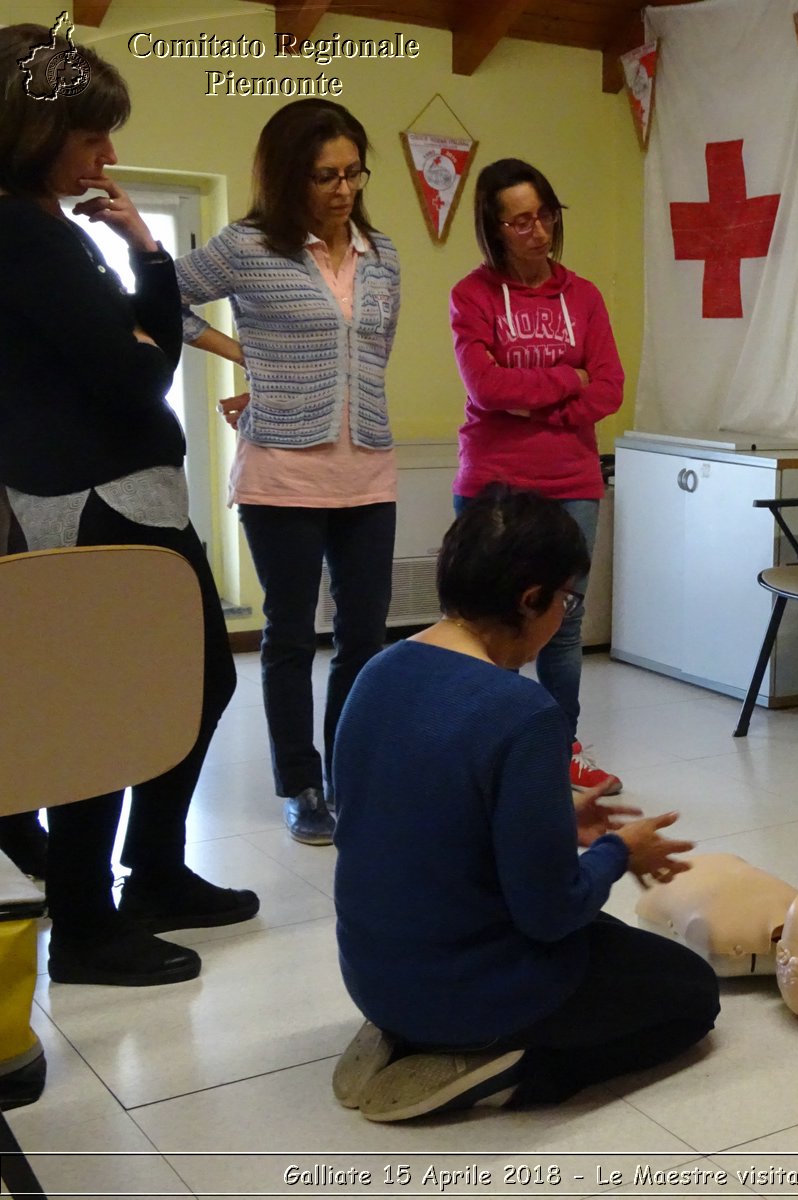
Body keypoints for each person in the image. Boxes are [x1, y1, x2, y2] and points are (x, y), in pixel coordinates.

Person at [330, 486, 719, 1122]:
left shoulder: (377, 672)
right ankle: (508, 1066)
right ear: (530, 600)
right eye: (565, 599)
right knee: (690, 994)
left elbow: (413, 825)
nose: (565, 614)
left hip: (372, 975)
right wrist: (621, 851)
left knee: (611, 940)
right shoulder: (523, 712)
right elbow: (550, 912)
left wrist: (555, 823)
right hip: (467, 990)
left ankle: (404, 1030)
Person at [0, 23, 255, 986]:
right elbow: (130, 378)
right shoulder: (23, 230)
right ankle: (91, 918)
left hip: (120, 498)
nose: (108, 155)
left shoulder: (48, 229)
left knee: (178, 691)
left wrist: (145, 251)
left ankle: (145, 877)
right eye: (91, 134)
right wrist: (144, 343)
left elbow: (149, 345)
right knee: (107, 712)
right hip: (103, 503)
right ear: (36, 128)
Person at [177, 99, 402, 846]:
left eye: (352, 172)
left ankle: (351, 771)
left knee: (365, 637)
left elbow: (372, 352)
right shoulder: (249, 246)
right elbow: (160, 294)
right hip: (282, 474)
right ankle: (301, 785)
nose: (342, 189)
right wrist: (243, 356)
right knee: (290, 634)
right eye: (323, 176)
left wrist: (325, 384)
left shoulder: (383, 253)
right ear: (287, 176)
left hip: (367, 466)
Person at [449, 158, 624, 796]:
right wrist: (562, 382)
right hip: (494, 479)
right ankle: (494, 751)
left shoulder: (584, 296)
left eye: (545, 214)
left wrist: (534, 399)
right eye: (521, 221)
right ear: (495, 229)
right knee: (494, 621)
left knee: (565, 623)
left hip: (571, 479)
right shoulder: (471, 295)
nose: (539, 231)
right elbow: (485, 386)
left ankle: (556, 753)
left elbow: (607, 387)